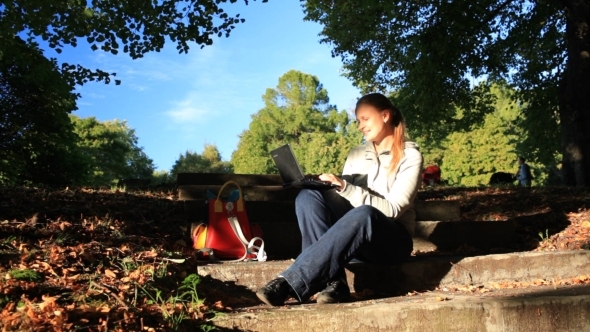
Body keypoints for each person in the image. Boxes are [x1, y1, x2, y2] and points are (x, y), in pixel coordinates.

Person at [256, 92, 423, 306]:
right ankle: (335, 284)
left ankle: (289, 282)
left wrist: (345, 186)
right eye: (358, 121)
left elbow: (392, 210)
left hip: (391, 242)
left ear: (385, 115)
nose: (361, 126)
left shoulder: (410, 156)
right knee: (308, 196)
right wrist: (323, 186)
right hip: (357, 241)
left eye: (365, 118)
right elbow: (344, 201)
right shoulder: (356, 154)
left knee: (365, 213)